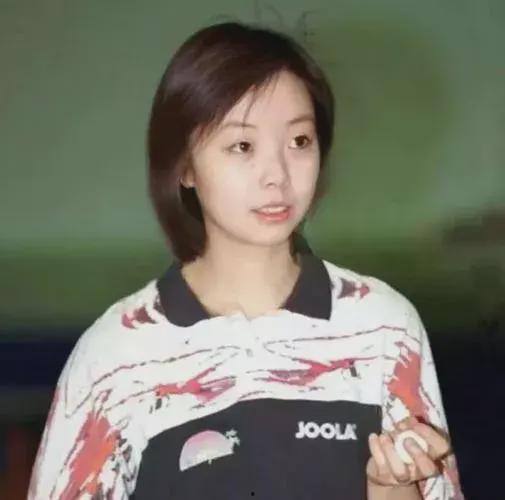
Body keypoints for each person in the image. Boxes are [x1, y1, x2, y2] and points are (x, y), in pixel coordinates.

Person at [28, 21, 464, 500]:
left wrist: (391, 485)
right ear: (185, 166)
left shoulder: (384, 330)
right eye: (242, 146)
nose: (276, 175)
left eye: (299, 141)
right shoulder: (115, 359)